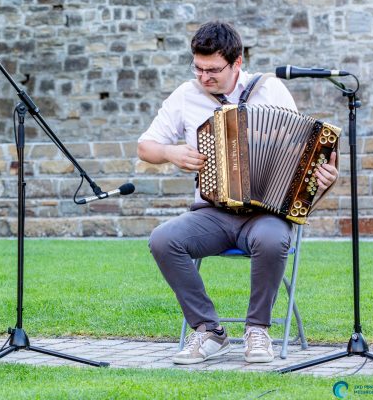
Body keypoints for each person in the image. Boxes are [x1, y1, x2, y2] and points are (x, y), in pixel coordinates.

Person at [137, 21, 338, 364]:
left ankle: (257, 329)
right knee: (162, 239)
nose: (204, 78)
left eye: (213, 69)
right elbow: (145, 146)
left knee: (274, 240)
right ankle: (208, 331)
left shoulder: (270, 90)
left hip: (265, 214)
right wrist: (172, 153)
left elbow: (301, 150)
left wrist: (324, 177)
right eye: (198, 68)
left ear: (237, 62)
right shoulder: (185, 96)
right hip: (211, 213)